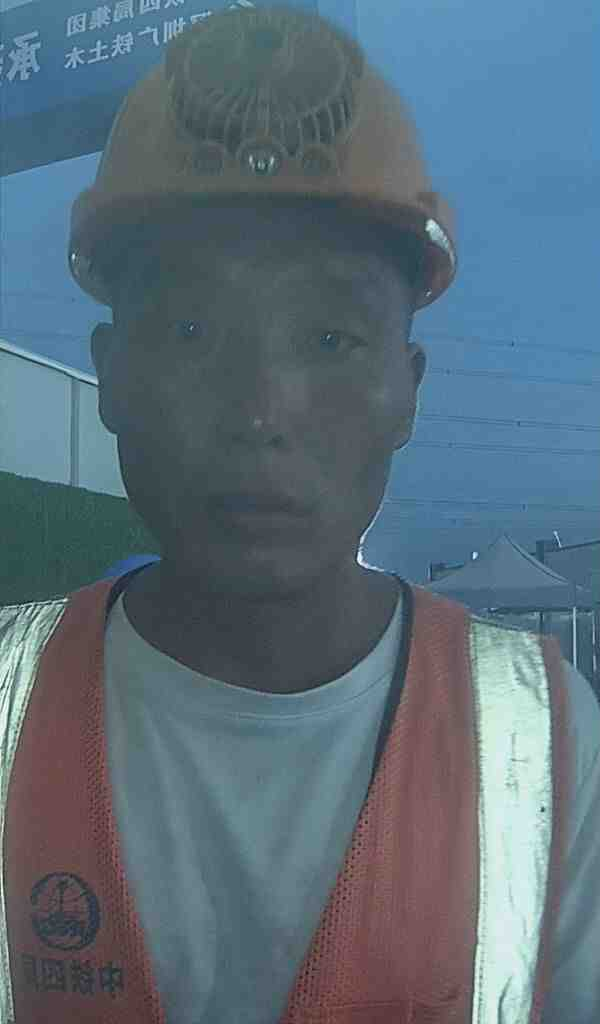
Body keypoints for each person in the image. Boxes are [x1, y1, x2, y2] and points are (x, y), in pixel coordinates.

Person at [1, 6, 599, 1023]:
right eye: (192, 329)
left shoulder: (548, 740)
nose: (260, 412)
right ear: (111, 377)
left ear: (407, 391)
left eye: (329, 339)